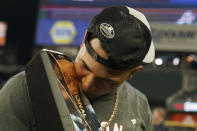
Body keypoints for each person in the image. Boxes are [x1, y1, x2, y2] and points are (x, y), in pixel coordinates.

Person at [0, 5, 155, 131]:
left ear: (132, 72)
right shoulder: (27, 88)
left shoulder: (138, 105)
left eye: (106, 81)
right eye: (85, 67)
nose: (87, 84)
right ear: (83, 41)